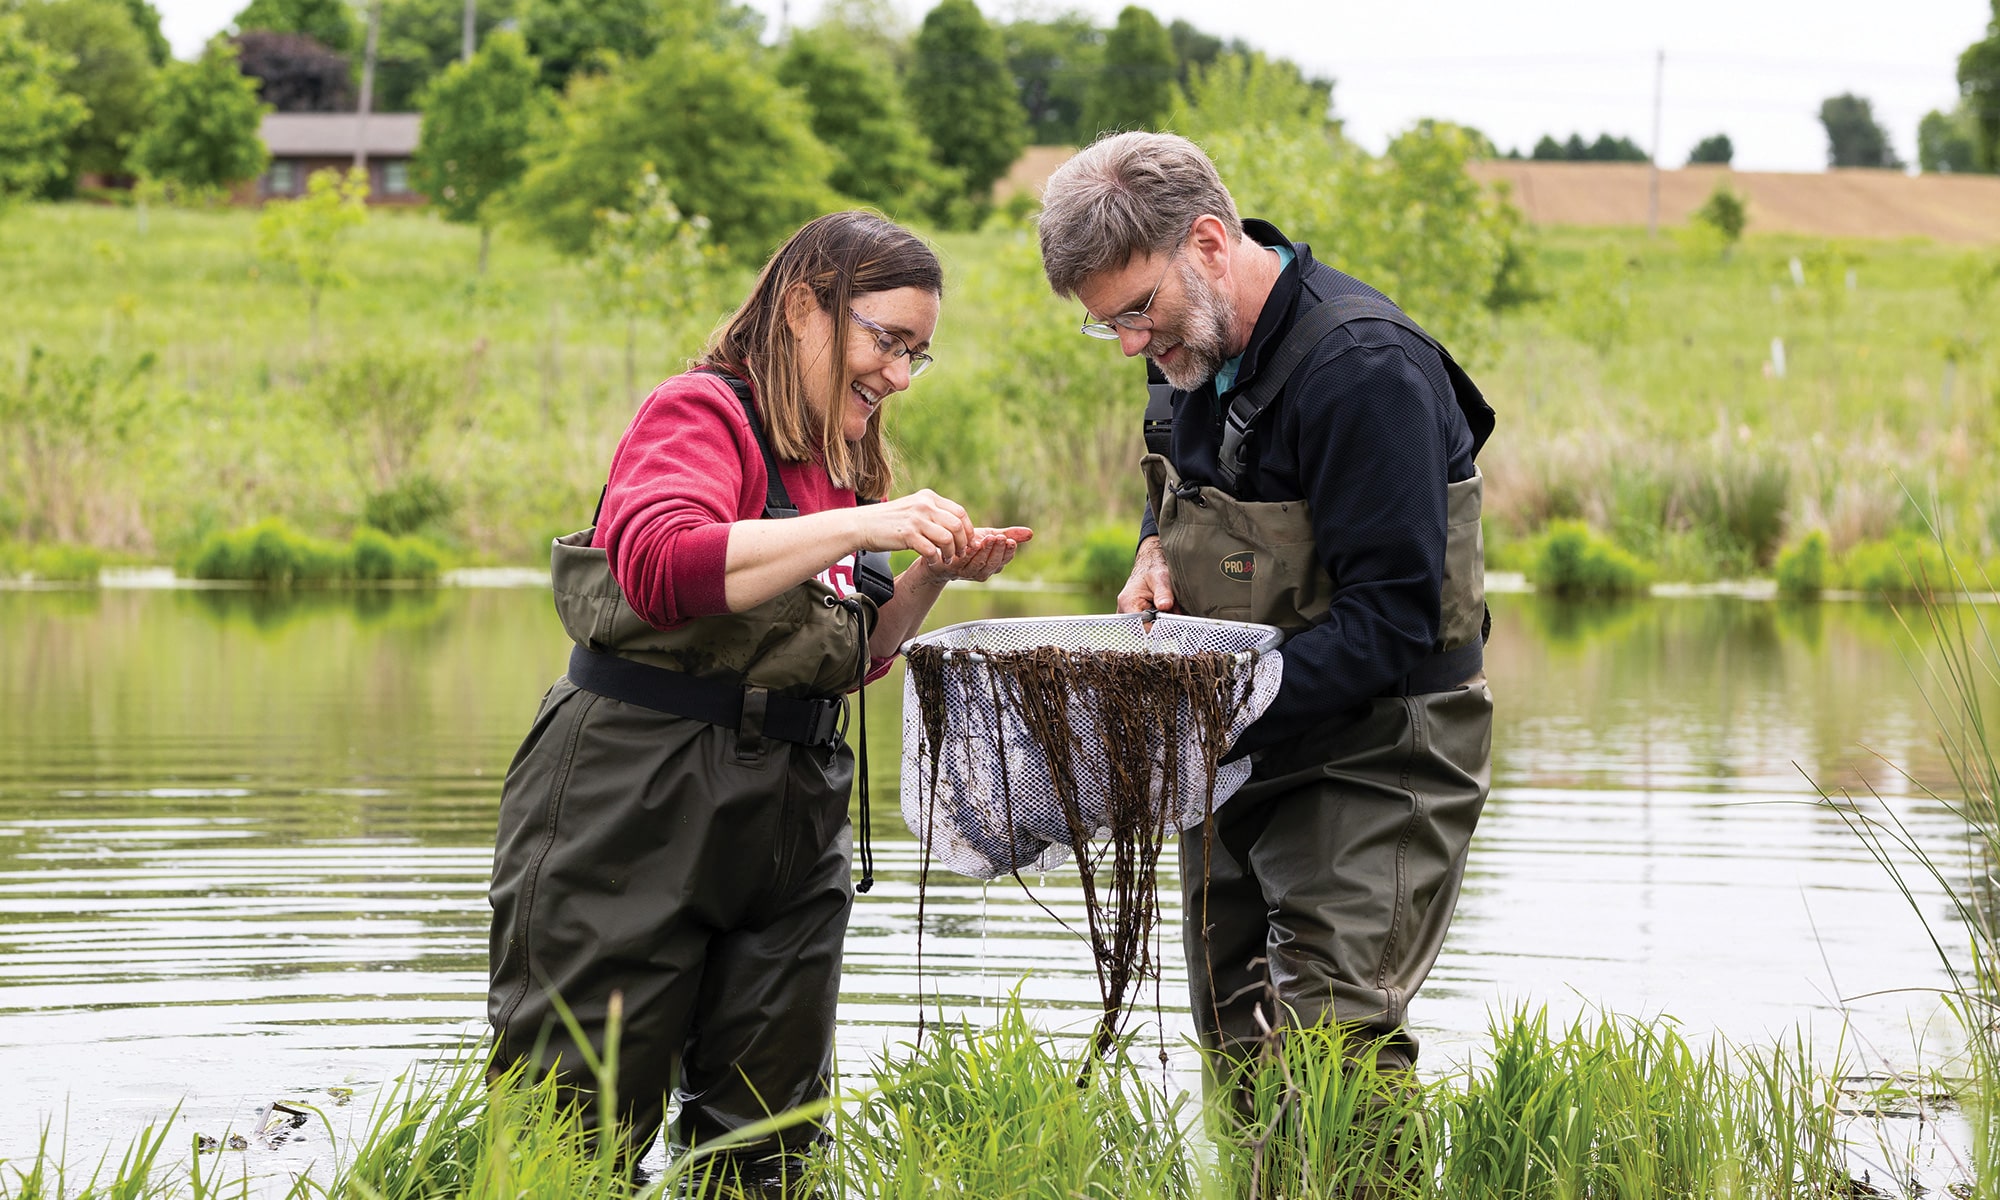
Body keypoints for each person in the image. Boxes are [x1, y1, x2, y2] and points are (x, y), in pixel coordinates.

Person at [487, 211, 1032, 1185]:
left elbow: (843, 654)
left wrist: (931, 574)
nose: (899, 376)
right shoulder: (699, 415)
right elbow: (659, 568)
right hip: (636, 799)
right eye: (886, 341)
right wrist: (875, 518)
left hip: (793, 811)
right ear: (800, 309)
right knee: (573, 1133)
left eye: (918, 353)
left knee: (768, 1146)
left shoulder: (841, 464)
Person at [1035, 132, 1495, 1083]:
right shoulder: (1188, 345)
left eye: (1135, 312)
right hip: (1234, 746)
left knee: (1334, 1042)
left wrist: (1200, 711)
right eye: (1104, 324)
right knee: (1237, 1041)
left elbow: (1394, 620)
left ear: (1208, 242)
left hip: (1380, 746)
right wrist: (1152, 548)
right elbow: (1182, 496)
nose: (1128, 344)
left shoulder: (1366, 370)